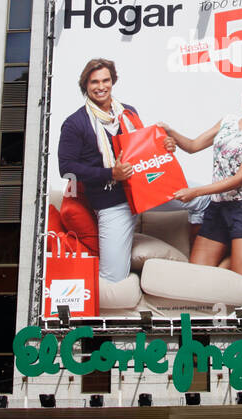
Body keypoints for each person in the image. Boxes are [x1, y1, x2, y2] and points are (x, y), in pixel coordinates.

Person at [57, 58, 207, 283]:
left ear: (113, 81)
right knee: (113, 278)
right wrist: (110, 174)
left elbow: (141, 150)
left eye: (106, 80)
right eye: (94, 82)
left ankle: (198, 262)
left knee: (203, 198)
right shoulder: (75, 123)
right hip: (113, 202)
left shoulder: (127, 112)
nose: (101, 86)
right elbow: (66, 168)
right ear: (85, 85)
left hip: (144, 189)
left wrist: (164, 146)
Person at [163, 72, 242, 276]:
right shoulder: (228, 122)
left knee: (241, 278)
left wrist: (196, 192)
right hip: (217, 207)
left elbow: (239, 179)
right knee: (197, 275)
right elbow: (193, 146)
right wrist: (170, 131)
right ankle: (241, 252)